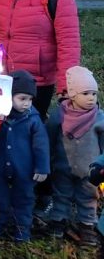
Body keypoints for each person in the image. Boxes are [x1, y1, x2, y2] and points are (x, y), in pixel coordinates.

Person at [0, 70, 50, 242]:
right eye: (22, 98)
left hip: (25, 170)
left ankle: (22, 231)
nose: (27, 103)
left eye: (30, 99)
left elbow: (41, 146)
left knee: (25, 200)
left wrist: (42, 167)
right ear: (9, 96)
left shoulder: (33, 119)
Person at [46, 66, 102, 247]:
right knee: (61, 195)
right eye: (85, 93)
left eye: (94, 94)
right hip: (62, 167)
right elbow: (48, 138)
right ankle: (58, 222)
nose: (91, 98)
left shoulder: (99, 118)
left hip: (89, 170)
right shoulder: (59, 116)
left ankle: (86, 227)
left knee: (88, 198)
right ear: (72, 94)